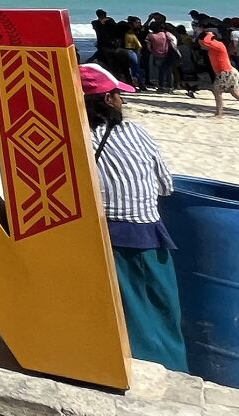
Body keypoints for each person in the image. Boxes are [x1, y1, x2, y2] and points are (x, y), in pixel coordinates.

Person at [80, 64, 187, 372]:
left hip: (102, 236)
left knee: (123, 314)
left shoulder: (78, 136)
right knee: (156, 313)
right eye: (118, 96)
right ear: (107, 100)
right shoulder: (136, 132)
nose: (123, 101)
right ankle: (167, 369)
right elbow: (166, 185)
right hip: (144, 234)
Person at [196, 28, 239, 121]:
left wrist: (209, 34)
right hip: (229, 72)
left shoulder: (217, 44)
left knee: (217, 91)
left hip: (226, 72)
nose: (201, 44)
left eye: (200, 42)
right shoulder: (214, 46)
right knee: (236, 94)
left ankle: (219, 113)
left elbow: (206, 40)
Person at [144, 23, 178, 93]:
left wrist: (153, 52)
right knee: (169, 71)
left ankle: (161, 87)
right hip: (167, 54)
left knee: (160, 72)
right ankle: (170, 87)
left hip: (157, 55)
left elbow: (149, 47)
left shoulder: (150, 36)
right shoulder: (166, 34)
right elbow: (174, 41)